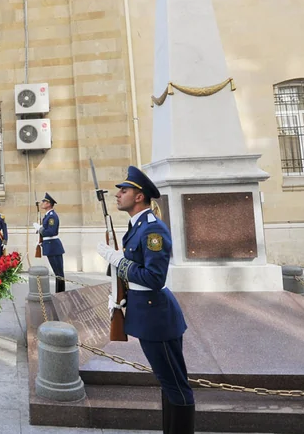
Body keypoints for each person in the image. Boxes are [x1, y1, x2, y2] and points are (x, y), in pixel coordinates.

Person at [97, 166, 194, 433]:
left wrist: (118, 261)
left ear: (139, 197)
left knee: (176, 386)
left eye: (124, 190)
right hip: (147, 314)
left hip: (157, 319)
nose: (118, 195)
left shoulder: (152, 230)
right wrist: (121, 297)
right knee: (168, 383)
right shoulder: (137, 227)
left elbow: (154, 278)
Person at [34, 193, 65, 293]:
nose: (42, 203)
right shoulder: (47, 215)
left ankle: (60, 293)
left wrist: (40, 229)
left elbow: (51, 232)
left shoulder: (52, 216)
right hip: (50, 245)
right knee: (57, 273)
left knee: (59, 273)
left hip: (53, 246)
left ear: (49, 204)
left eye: (44, 201)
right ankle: (59, 293)